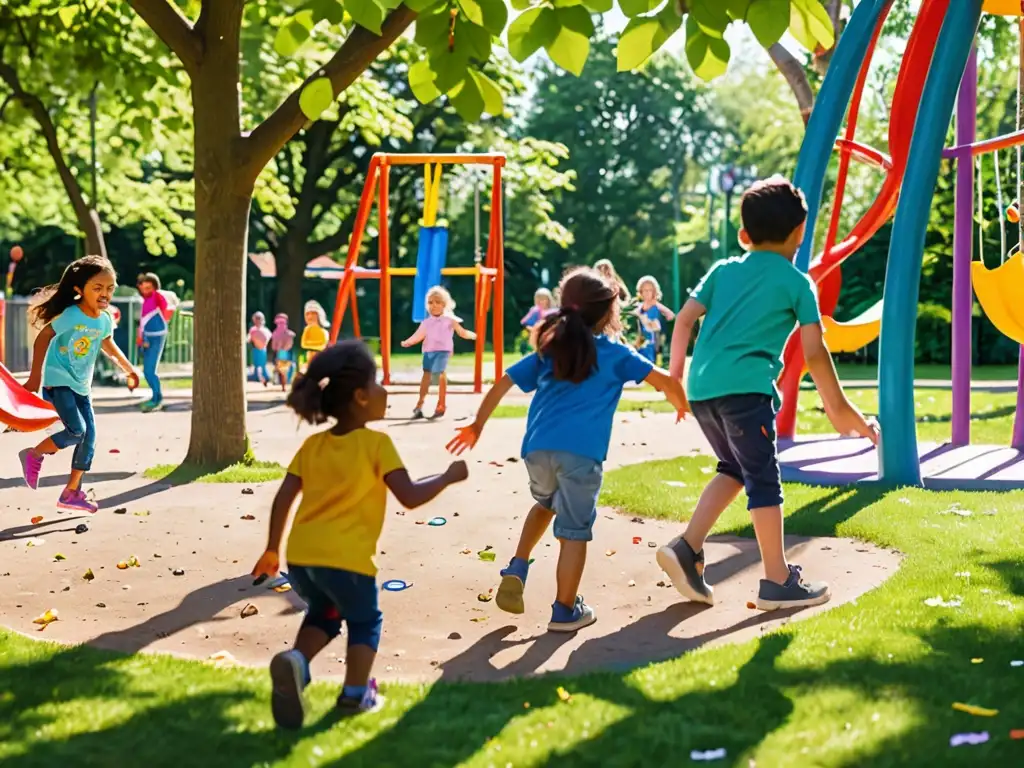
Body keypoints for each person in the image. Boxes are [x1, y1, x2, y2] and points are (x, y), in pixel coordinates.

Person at [656, 176, 879, 612]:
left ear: (744, 236)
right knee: (763, 479)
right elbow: (815, 355)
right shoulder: (798, 283)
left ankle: (687, 548)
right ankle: (777, 581)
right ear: (800, 233)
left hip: (702, 390)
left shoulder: (722, 271)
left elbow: (683, 320)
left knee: (735, 468)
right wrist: (841, 409)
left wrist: (674, 377)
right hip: (745, 392)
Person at [447, 267, 689, 632]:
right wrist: (681, 404)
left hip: (537, 450)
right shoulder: (617, 354)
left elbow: (503, 382)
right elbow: (666, 382)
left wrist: (477, 425)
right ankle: (565, 610)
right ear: (609, 312)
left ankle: (517, 565)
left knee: (545, 503)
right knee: (574, 531)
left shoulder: (551, 348)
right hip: (581, 455)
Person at [250, 340, 469, 729]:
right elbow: (411, 496)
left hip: (302, 560)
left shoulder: (313, 445)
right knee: (365, 621)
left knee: (326, 612)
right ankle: (354, 694)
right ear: (360, 396)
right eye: (378, 383)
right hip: (347, 559)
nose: (386, 390)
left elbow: (285, 496)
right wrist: (449, 477)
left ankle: (296, 662)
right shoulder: (376, 444)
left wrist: (272, 549)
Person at [19, 255, 140, 512]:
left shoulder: (105, 318)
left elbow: (108, 345)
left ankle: (71, 492)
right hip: (58, 381)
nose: (104, 293)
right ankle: (34, 454)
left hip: (81, 386)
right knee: (77, 431)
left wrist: (130, 370)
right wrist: (34, 378)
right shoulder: (72, 314)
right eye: (97, 288)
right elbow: (44, 338)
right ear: (78, 289)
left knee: (89, 439)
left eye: (110, 288)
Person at [400, 285, 476, 419]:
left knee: (440, 373)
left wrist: (473, 335)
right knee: (426, 375)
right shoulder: (427, 322)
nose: (433, 305)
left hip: (443, 351)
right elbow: (419, 335)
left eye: (437, 302)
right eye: (430, 302)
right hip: (429, 351)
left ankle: (441, 403)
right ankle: (420, 404)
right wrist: (408, 342)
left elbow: (461, 332)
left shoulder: (449, 320)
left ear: (444, 304)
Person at [136, 273, 174, 412]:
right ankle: (155, 396)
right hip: (148, 337)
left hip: (156, 336)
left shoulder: (156, 296)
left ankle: (157, 399)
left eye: (149, 287)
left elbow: (166, 309)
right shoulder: (145, 300)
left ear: (154, 287)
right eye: (143, 287)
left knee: (149, 371)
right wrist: (142, 337)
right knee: (148, 371)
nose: (145, 290)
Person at [634, 275, 675, 364]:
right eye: (645, 290)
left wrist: (656, 304)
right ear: (640, 292)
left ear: (654, 292)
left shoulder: (657, 307)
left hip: (656, 345)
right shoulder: (639, 309)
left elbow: (671, 316)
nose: (648, 293)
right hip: (643, 345)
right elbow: (640, 330)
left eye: (650, 290)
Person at [299, 300, 329, 372]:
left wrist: (311, 344)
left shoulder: (323, 331)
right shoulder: (307, 330)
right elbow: (303, 344)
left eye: (313, 314)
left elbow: (323, 344)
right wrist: (315, 345)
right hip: (309, 358)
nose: (310, 316)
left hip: (320, 358)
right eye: (307, 314)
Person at [271, 313, 296, 392]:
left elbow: (273, 346)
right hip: (286, 352)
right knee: (284, 369)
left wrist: (276, 349)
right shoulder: (289, 334)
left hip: (283, 352)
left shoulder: (276, 333)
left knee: (283, 370)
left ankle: (284, 385)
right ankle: (284, 385)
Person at [249, 311, 272, 386]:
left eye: (259, 318)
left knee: (263, 364)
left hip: (263, 349)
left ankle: (265, 376)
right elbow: (249, 337)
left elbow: (270, 336)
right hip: (256, 349)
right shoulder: (252, 329)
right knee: (256, 364)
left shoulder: (265, 330)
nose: (258, 320)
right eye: (256, 318)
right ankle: (256, 375)